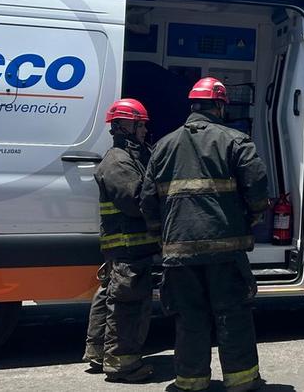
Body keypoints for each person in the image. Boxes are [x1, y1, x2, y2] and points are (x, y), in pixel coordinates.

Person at [142, 78, 271, 392]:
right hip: (225, 251)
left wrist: (164, 235)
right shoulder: (235, 140)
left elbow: (147, 200)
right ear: (220, 106)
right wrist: (252, 216)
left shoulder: (162, 145)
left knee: (189, 317)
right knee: (232, 315)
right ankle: (241, 382)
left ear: (192, 106)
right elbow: (257, 185)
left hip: (178, 253)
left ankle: (191, 382)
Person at [84, 99, 159, 383]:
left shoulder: (130, 157)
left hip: (126, 245)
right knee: (127, 304)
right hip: (128, 245)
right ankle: (122, 365)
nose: (143, 129)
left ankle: (99, 353)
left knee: (111, 295)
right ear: (123, 126)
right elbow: (136, 202)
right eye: (139, 125)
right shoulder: (118, 161)